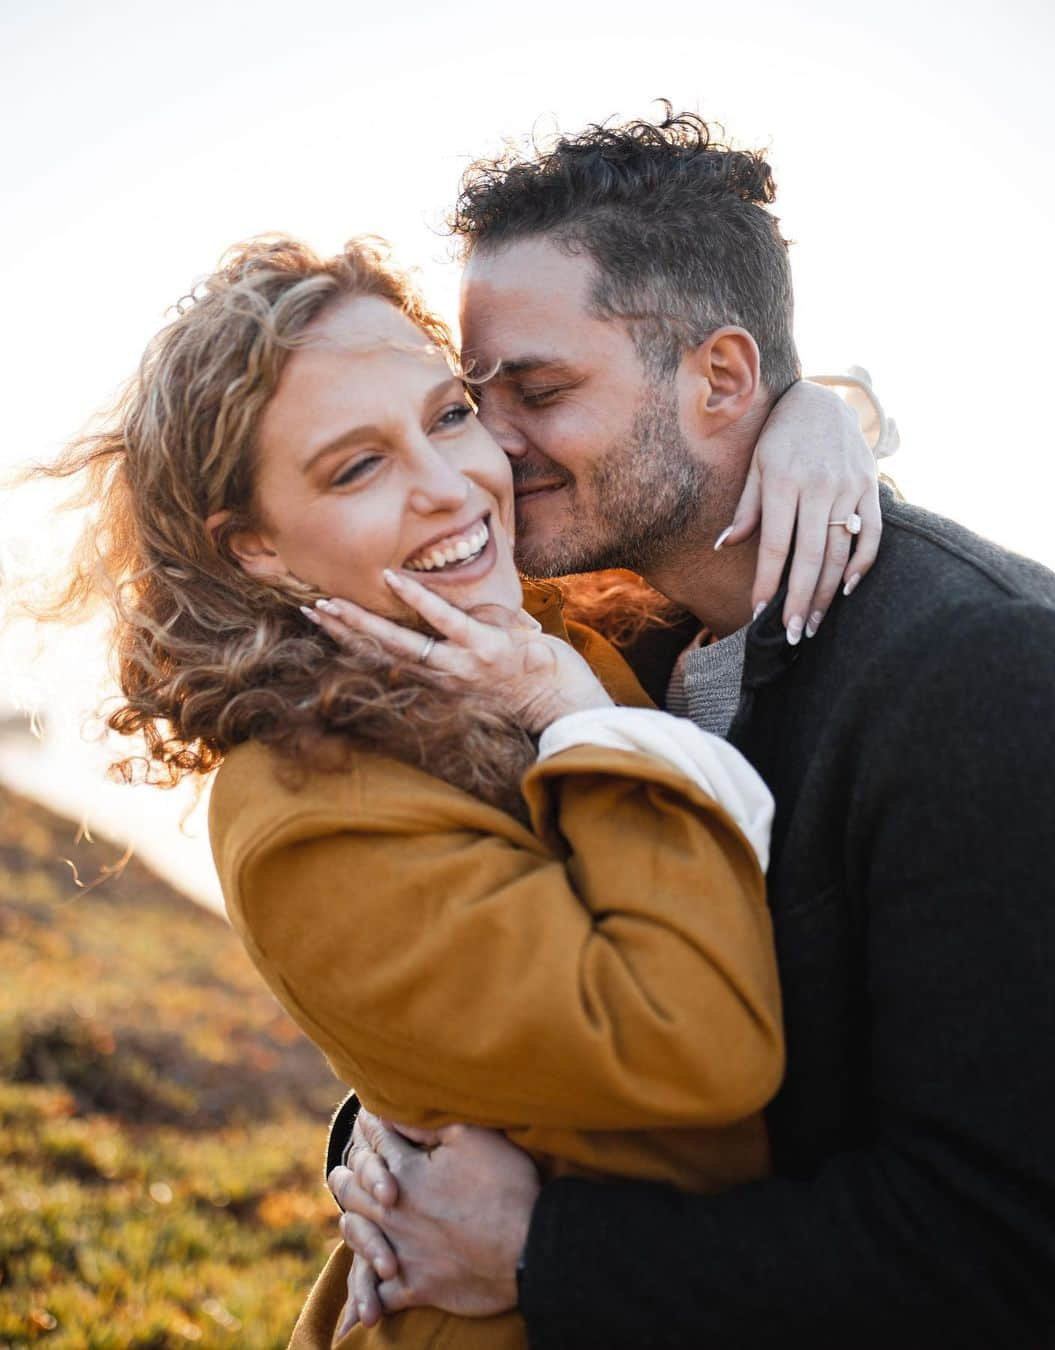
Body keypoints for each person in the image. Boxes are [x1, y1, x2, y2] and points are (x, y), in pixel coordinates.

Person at [36, 229, 882, 1350]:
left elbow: (682, 478)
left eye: (448, 415)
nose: (453, 487)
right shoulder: (303, 806)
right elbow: (696, 1042)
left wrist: (817, 418)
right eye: (357, 467)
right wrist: (577, 716)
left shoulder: (530, 616)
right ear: (256, 551)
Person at [328, 110, 1055, 1348]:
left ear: (722, 379)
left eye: (542, 391)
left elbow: (1002, 1252)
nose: (490, 451)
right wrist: (384, 1153)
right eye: (476, 397)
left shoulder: (982, 675)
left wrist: (537, 1252)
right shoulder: (601, 646)